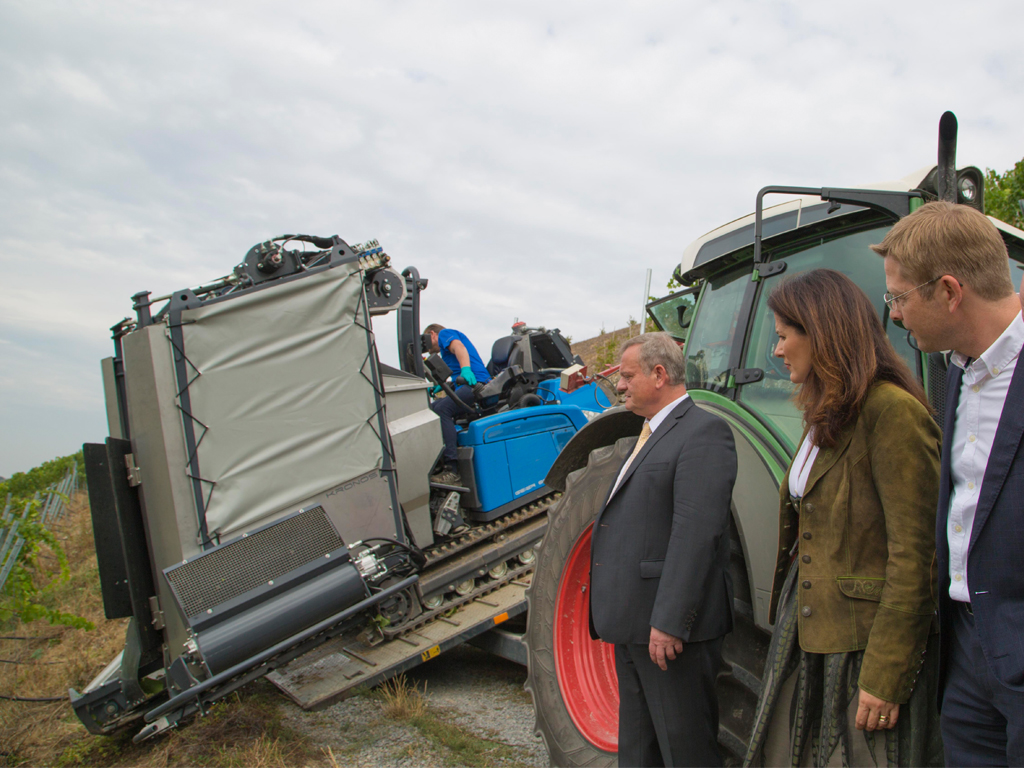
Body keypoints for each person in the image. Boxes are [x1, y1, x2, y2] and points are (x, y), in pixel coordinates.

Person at [744, 269, 943, 767]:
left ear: (822, 332)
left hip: (862, 648)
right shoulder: (825, 414)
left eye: (784, 336)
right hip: (808, 630)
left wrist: (885, 675)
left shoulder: (891, 411)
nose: (776, 350)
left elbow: (915, 555)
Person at [871, 201, 1024, 766]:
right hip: (965, 654)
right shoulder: (958, 372)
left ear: (950, 291)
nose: (894, 315)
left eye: (899, 297)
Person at [589, 332, 737, 767]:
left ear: (659, 374)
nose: (620, 386)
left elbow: (697, 534)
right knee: (639, 754)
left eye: (628, 376)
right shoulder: (648, 434)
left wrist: (670, 622)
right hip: (634, 629)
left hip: (670, 636)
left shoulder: (703, 431)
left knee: (684, 752)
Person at [422, 323, 492, 484]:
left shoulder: (445, 334)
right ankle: (439, 458)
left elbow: (460, 348)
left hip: (476, 383)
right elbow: (455, 373)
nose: (426, 347)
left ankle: (452, 469)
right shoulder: (445, 354)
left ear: (432, 334)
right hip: (465, 385)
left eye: (426, 339)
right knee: (431, 409)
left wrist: (466, 370)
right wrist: (444, 385)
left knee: (441, 410)